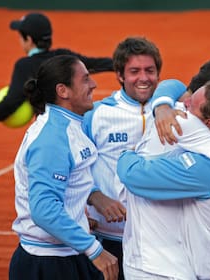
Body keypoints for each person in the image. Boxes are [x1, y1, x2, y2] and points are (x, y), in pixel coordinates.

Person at [117, 77, 210, 279]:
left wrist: (127, 153)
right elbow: (176, 86)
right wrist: (162, 105)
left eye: (191, 107)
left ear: (208, 123)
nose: (183, 105)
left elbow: (133, 175)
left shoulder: (203, 170)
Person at [8, 55, 118, 280]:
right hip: (48, 264)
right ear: (63, 91)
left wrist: (78, 212)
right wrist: (94, 249)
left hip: (66, 253)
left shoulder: (69, 126)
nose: (94, 85)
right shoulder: (53, 139)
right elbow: (44, 209)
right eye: (85, 80)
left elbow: (66, 185)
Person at [82, 36, 162, 280]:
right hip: (109, 236)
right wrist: (90, 198)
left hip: (160, 237)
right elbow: (73, 165)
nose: (143, 78)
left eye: (150, 70)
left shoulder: (172, 110)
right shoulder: (96, 114)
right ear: (119, 75)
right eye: (134, 71)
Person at [0, 12, 113, 123]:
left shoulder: (25, 65)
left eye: (21, 37)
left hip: (51, 127)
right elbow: (96, 64)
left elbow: (9, 106)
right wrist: (123, 64)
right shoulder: (64, 55)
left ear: (28, 39)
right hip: (78, 122)